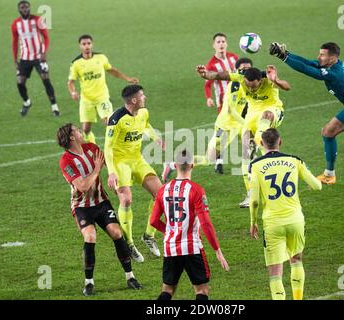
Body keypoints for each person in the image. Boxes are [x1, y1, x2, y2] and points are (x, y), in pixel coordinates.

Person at [269, 42, 344, 218]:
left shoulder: (334, 73)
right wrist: (286, 53)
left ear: (333, 57)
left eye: (323, 55)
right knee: (328, 132)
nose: (319, 57)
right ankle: (329, 175)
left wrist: (283, 57)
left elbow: (307, 70)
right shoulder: (332, 65)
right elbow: (309, 63)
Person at [57, 123, 142, 296]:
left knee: (117, 233)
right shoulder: (66, 161)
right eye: (77, 130)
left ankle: (130, 277)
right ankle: (89, 283)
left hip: (101, 202)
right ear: (72, 137)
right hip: (81, 206)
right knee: (90, 236)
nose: (82, 132)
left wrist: (113, 174)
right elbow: (82, 186)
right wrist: (96, 169)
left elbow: (110, 162)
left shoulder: (92, 148)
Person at [196, 62, 291, 208]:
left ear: (260, 81)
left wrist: (276, 80)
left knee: (265, 116)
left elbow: (287, 86)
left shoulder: (268, 78)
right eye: (247, 85)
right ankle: (250, 195)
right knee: (247, 153)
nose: (250, 88)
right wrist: (205, 75)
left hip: (273, 111)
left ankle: (263, 141)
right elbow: (218, 75)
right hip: (252, 115)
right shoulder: (241, 78)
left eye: (254, 86)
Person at [249, 128, 322, 300]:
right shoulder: (294, 161)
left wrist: (253, 221)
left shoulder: (256, 165)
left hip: (273, 223)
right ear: (280, 142)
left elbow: (254, 201)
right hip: (296, 220)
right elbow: (317, 186)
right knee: (296, 260)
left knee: (275, 273)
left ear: (261, 143)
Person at [151, 149, 229, 300]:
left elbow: (153, 221)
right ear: (192, 165)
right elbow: (205, 223)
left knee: (167, 290)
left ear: (175, 165)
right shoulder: (196, 190)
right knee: (201, 291)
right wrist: (217, 251)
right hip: (192, 247)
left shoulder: (163, 190)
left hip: (170, 247)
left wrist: (169, 231)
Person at [162, 57, 251, 181]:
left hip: (236, 126)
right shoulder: (235, 86)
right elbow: (231, 111)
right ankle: (172, 165)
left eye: (248, 69)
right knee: (209, 159)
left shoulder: (249, 84)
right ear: (236, 71)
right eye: (243, 70)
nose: (246, 72)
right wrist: (247, 124)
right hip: (224, 127)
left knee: (251, 147)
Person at [104, 84, 164, 263]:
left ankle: (148, 235)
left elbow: (146, 125)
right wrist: (111, 172)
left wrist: (155, 137)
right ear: (134, 100)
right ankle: (128, 243)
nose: (145, 98)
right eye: (142, 96)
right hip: (120, 162)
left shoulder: (143, 112)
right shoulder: (116, 119)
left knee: (160, 195)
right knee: (126, 199)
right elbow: (107, 147)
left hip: (137, 159)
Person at [68, 34, 138, 144]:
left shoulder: (101, 58)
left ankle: (118, 143)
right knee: (86, 129)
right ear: (80, 46)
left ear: (92, 44)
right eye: (84, 44)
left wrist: (127, 78)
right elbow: (71, 81)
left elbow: (111, 70)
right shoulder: (76, 63)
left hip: (102, 97)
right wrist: (73, 92)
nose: (87, 46)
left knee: (109, 122)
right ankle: (92, 145)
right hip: (87, 100)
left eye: (89, 43)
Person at [11, 0, 59, 117]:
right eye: (22, 8)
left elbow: (46, 37)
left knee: (45, 79)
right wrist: (15, 60)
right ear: (19, 9)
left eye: (27, 7)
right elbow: (15, 42)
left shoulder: (38, 20)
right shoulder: (15, 24)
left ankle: (54, 107)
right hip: (24, 58)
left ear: (29, 8)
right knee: (20, 82)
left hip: (38, 57)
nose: (25, 9)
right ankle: (27, 102)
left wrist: (43, 52)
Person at [204, 33, 239, 114]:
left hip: (238, 97)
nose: (221, 44)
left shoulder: (234, 57)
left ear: (226, 44)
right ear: (214, 45)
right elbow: (207, 85)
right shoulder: (211, 65)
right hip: (223, 101)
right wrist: (208, 98)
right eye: (218, 42)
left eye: (223, 41)